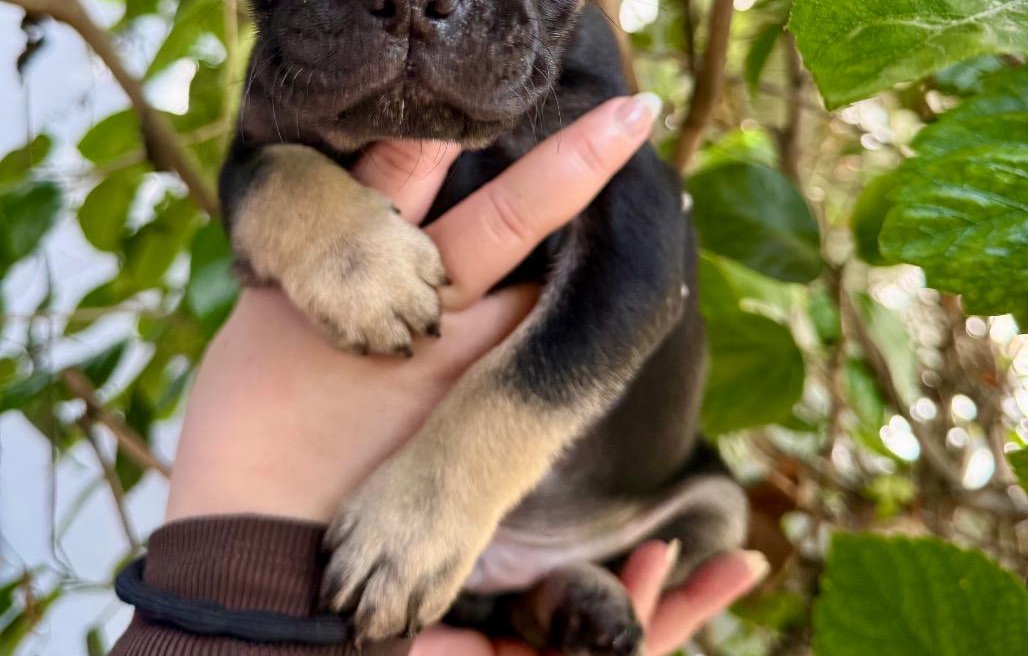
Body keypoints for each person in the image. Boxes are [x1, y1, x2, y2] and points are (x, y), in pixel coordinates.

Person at [113, 95, 768, 655]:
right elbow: (257, 176)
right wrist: (310, 218)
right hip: (387, 562)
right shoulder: (302, 98)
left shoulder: (580, 91)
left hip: (619, 512)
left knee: (715, 524)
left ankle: (549, 596)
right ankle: (534, 601)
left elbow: (643, 279)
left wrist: (462, 476)